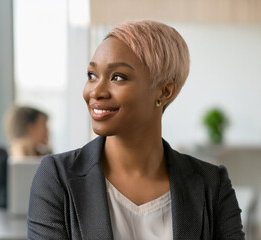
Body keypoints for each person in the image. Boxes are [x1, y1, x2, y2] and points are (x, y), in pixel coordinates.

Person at [27, 21, 244, 239]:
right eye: (92, 75)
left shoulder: (211, 185)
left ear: (164, 91)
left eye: (117, 77)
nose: (96, 91)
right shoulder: (56, 178)